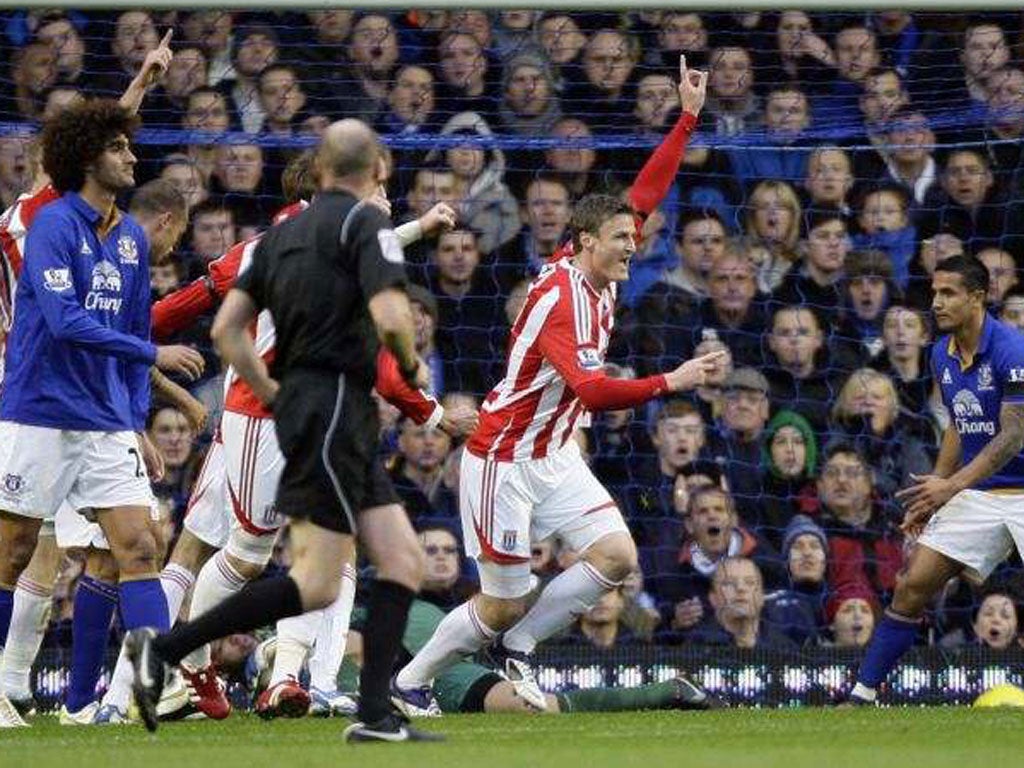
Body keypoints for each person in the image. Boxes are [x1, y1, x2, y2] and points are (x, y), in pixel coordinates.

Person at [391, 61, 721, 714]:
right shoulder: (558, 299)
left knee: (617, 555)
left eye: (634, 237)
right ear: (586, 242)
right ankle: (410, 681)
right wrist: (671, 381)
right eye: (623, 241)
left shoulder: (602, 267)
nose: (635, 246)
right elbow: (592, 390)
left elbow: (647, 195)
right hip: (504, 458)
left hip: (554, 452)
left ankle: (523, 642)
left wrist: (685, 118)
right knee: (501, 596)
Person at [127, 119, 442, 743]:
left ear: (320, 171)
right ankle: (168, 653)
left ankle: (372, 712)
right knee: (293, 569)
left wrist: (269, 387)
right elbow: (390, 315)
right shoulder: (365, 226)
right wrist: (409, 365)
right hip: (325, 416)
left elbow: (223, 331)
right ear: (375, 172)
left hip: (307, 413)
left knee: (398, 560)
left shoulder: (277, 238)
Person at [0, 99, 201, 728]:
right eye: (119, 147)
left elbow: (131, 329)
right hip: (39, 412)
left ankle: (152, 685)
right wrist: (152, 351)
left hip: (107, 420)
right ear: (89, 157)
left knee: (141, 547)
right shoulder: (55, 227)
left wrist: (135, 421)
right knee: (11, 553)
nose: (132, 156)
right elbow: (65, 323)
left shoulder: (135, 239)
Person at [846, 255, 1024, 705]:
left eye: (948, 293)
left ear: (978, 298)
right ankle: (861, 696)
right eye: (935, 292)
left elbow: (1015, 433)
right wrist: (935, 493)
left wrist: (953, 485)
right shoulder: (939, 354)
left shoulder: (1012, 350)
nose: (937, 302)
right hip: (981, 491)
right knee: (913, 585)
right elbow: (957, 423)